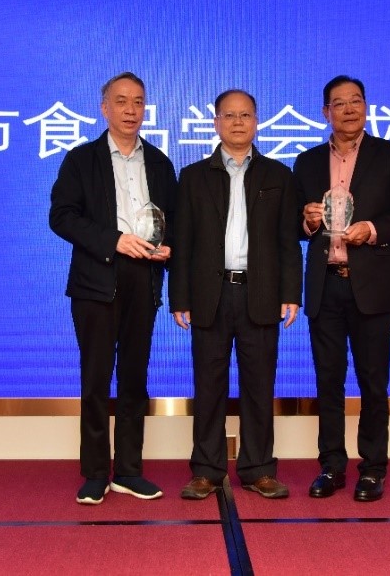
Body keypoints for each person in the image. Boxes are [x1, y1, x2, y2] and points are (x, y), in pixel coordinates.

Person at [292, 75, 390, 503]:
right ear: (324, 112)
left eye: (356, 101)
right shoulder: (307, 162)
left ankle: (373, 469)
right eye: (339, 103)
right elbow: (293, 225)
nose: (349, 109)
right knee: (328, 381)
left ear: (366, 107)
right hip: (325, 285)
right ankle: (331, 466)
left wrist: (373, 228)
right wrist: (306, 221)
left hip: (373, 285)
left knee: (373, 381)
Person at [49, 71, 178, 505]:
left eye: (138, 102)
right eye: (121, 101)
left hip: (145, 277)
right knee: (96, 379)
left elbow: (174, 221)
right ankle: (94, 473)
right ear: (104, 108)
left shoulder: (159, 162)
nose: (130, 110)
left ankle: (128, 470)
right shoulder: (81, 160)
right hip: (96, 280)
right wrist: (114, 240)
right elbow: (61, 216)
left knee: (134, 379)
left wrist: (169, 248)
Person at [169, 89, 302, 500]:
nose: (238, 122)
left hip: (259, 294)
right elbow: (182, 242)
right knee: (208, 386)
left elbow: (287, 242)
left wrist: (290, 293)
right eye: (229, 115)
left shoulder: (278, 175)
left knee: (259, 386)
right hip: (209, 295)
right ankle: (206, 470)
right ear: (216, 123)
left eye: (245, 115)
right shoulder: (193, 176)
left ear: (257, 121)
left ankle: (259, 469)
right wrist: (180, 297)